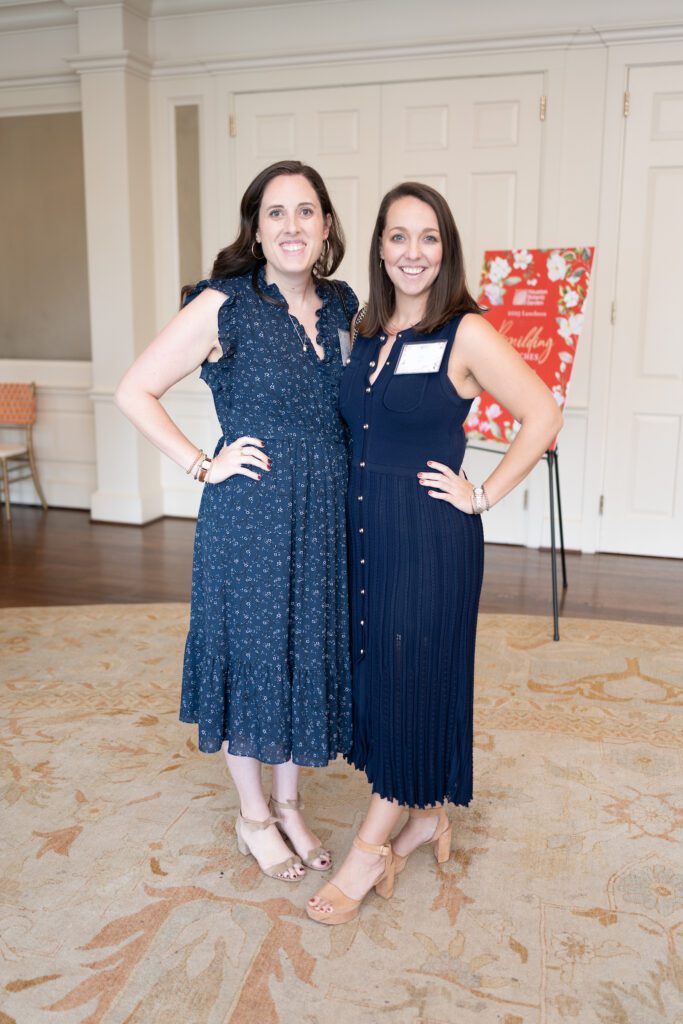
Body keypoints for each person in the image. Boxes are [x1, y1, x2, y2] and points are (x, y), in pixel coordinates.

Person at [307, 182, 563, 924]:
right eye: (397, 236)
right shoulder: (366, 332)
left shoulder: (465, 332)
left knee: (410, 675)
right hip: (365, 535)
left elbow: (541, 412)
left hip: (427, 537)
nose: (411, 252)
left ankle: (367, 848)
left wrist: (481, 494)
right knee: (380, 678)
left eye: (426, 237)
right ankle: (425, 818)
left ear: (443, 249)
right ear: (379, 246)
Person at [116, 160, 357, 883]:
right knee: (253, 656)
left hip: (322, 515)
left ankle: (288, 804)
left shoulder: (344, 304)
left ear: (325, 225)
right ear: (255, 228)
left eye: (306, 211)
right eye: (276, 213)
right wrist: (199, 463)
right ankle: (252, 816)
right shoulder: (224, 304)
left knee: (298, 653)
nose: (292, 226)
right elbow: (135, 389)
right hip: (250, 516)